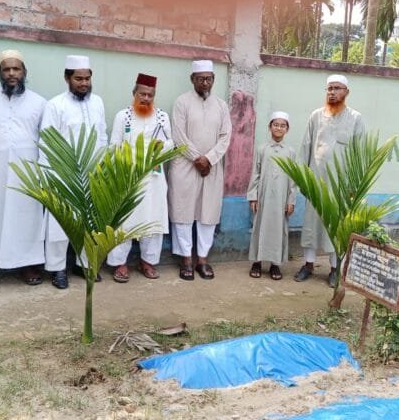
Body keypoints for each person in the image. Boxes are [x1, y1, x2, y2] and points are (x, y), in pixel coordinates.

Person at [0, 50, 46, 288]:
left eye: (16, 69)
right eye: (6, 69)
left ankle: (28, 264)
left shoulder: (39, 102)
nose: (11, 73)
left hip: (28, 171)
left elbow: (46, 138)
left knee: (26, 215)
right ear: (0, 73)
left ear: (24, 72)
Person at [40, 55, 108, 289]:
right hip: (63, 173)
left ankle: (85, 263)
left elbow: (103, 135)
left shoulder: (97, 102)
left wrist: (104, 167)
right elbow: (47, 142)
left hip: (93, 173)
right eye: (78, 78)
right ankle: (58, 269)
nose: (84, 83)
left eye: (87, 78)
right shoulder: (55, 105)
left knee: (90, 222)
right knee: (60, 225)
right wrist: (47, 178)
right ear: (67, 78)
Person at [294, 74, 365, 287]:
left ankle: (335, 269)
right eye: (329, 88)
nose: (332, 92)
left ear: (346, 92)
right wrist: (303, 180)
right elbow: (306, 146)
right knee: (311, 225)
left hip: (341, 187)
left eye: (337, 88)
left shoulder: (356, 118)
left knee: (336, 227)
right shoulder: (316, 116)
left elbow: (358, 154)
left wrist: (354, 186)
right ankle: (308, 265)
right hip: (316, 182)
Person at [167, 59, 232, 281]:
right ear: (192, 79)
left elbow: (225, 136)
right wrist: (197, 159)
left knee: (208, 213)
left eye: (209, 79)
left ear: (213, 80)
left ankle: (202, 258)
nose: (205, 83)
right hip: (185, 165)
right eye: (201, 79)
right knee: (183, 211)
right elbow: (178, 135)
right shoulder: (181, 103)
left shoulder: (222, 106)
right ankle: (186, 258)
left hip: (211, 167)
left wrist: (209, 159)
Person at [107, 73, 174, 283]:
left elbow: (171, 142)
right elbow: (114, 145)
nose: (145, 98)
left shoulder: (162, 117)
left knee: (152, 220)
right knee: (124, 221)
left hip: (153, 178)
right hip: (127, 177)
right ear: (134, 94)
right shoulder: (123, 116)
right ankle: (120, 263)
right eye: (142, 94)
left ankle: (148, 261)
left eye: (150, 95)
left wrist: (163, 146)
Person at [247, 111, 296, 281]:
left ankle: (275, 264)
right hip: (263, 197)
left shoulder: (290, 152)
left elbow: (293, 179)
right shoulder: (262, 149)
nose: (279, 128)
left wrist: (291, 200)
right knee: (259, 228)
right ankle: (257, 262)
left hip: (281, 199)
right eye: (276, 124)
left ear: (287, 129)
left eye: (283, 125)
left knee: (278, 230)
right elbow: (255, 174)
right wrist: (253, 196)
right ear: (270, 127)